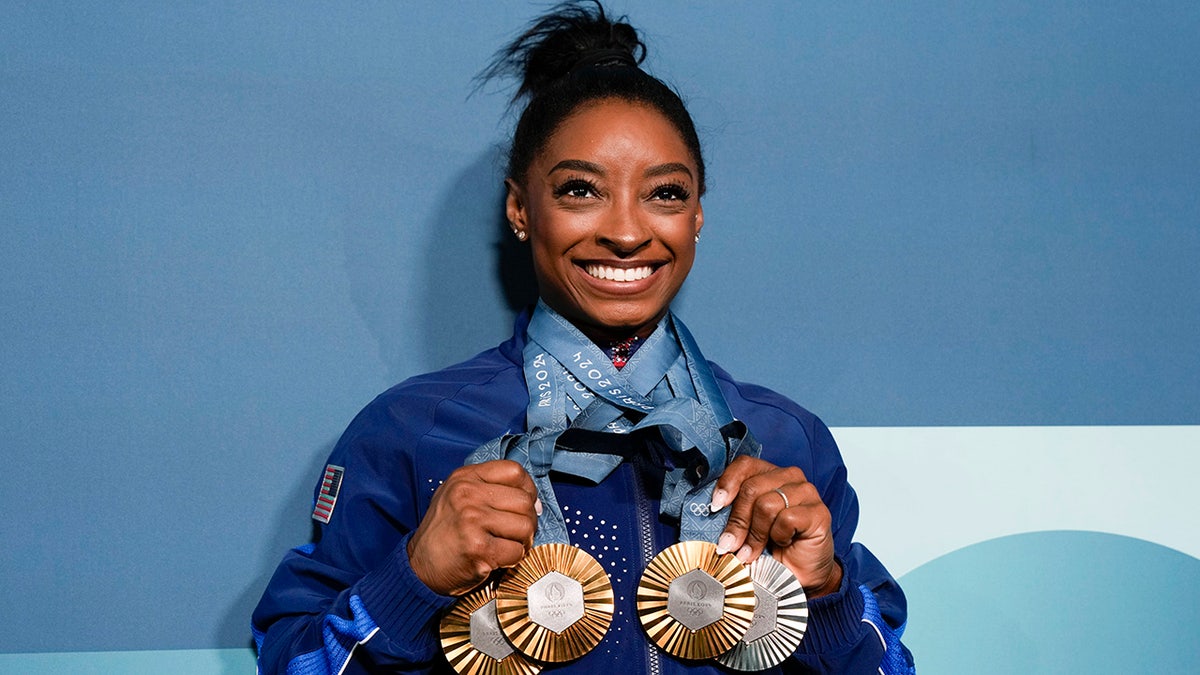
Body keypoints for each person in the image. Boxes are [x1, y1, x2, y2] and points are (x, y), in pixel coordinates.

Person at [252, 3, 914, 673]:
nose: (627, 232)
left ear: (698, 214)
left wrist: (826, 594)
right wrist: (411, 579)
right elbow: (292, 661)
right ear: (519, 208)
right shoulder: (411, 431)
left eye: (665, 193)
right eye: (580, 190)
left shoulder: (785, 439)